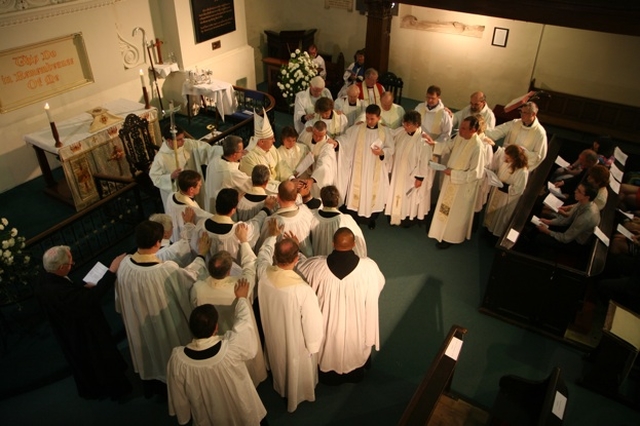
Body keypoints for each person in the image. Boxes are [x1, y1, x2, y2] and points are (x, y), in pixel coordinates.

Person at [115, 220, 211, 387]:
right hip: (162, 323)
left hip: (138, 322)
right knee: (165, 348)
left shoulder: (124, 265)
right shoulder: (165, 270)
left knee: (148, 349)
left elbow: (119, 299)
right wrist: (202, 255)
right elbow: (189, 278)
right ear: (158, 242)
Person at [35, 247, 131, 400]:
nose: (73, 263)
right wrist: (111, 272)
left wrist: (79, 288)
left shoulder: (45, 276)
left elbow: (71, 296)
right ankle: (117, 390)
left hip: (68, 327)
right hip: (84, 333)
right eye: (70, 264)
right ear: (60, 268)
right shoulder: (57, 291)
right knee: (100, 360)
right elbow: (88, 300)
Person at [167, 281, 268, 426]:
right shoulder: (231, 348)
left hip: (208, 416)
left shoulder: (178, 360)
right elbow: (245, 324)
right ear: (216, 328)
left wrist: (184, 417)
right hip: (240, 408)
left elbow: (178, 395)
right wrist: (241, 299)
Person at [298, 227, 385, 385]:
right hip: (356, 321)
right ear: (354, 244)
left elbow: (300, 275)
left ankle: (328, 376)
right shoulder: (369, 268)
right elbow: (378, 285)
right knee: (354, 342)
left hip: (327, 320)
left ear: (332, 243)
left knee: (329, 345)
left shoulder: (316, 267)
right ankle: (354, 373)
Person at [257, 219, 324, 412]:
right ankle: (297, 396)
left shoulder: (263, 273)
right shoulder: (302, 290)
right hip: (296, 344)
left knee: (278, 358)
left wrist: (271, 236)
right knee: (295, 368)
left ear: (275, 258)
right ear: (296, 260)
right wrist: (313, 346)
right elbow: (312, 323)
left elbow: (262, 255)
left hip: (273, 333)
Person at [190, 223, 267, 387]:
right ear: (229, 271)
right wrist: (244, 241)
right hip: (236, 335)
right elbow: (250, 266)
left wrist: (202, 253)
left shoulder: (198, 288)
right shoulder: (240, 285)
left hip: (212, 337)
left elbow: (198, 277)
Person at [428, 116, 486, 249]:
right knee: (445, 208)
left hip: (462, 188)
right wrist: (433, 145)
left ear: (473, 130)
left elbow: (476, 174)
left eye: (464, 128)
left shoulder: (478, 148)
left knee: (455, 214)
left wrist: (454, 174)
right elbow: (447, 147)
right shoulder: (460, 137)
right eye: (460, 127)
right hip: (451, 181)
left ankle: (450, 237)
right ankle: (440, 232)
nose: (460, 131)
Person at [336, 104, 394, 229]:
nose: (369, 121)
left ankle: (371, 220)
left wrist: (382, 152)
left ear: (379, 118)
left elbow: (391, 148)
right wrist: (337, 143)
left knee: (374, 195)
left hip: (375, 170)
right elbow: (346, 139)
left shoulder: (385, 131)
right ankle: (355, 219)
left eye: (372, 118)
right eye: (367, 118)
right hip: (360, 169)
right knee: (357, 193)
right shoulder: (358, 129)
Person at [193, 187, 275, 262]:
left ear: (216, 204)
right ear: (233, 210)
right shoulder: (239, 231)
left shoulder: (201, 224)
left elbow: (194, 247)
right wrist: (266, 208)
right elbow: (256, 222)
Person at [149, 124, 217, 211]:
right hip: (177, 193)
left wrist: (220, 153)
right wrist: (171, 177)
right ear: (169, 140)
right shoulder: (161, 157)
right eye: (179, 139)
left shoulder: (187, 144)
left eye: (183, 138)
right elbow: (154, 176)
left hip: (193, 186)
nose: (183, 141)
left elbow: (204, 148)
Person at [385, 110, 434, 226]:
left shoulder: (423, 141)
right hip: (398, 172)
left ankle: (406, 218)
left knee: (407, 198)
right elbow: (389, 133)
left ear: (417, 125)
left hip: (411, 176)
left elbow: (424, 162)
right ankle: (394, 214)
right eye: (404, 123)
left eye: (408, 125)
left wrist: (419, 178)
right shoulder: (402, 132)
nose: (405, 126)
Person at [257, 180, 315, 257]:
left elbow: (262, 249)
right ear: (296, 197)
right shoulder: (306, 212)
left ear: (278, 196)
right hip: (303, 262)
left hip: (278, 266)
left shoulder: (271, 222)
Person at [535, 182, 601, 249]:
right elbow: (567, 219)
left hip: (575, 242)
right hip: (571, 228)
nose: (575, 191)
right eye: (577, 189)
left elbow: (565, 238)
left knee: (540, 238)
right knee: (543, 220)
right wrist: (548, 222)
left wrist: (546, 231)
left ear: (587, 197)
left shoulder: (586, 217)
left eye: (579, 191)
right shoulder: (583, 202)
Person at [485, 101, 548, 170]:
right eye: (521, 112)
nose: (522, 115)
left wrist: (522, 153)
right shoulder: (515, 123)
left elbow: (539, 156)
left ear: (533, 114)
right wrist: (481, 131)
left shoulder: (540, 133)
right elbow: (497, 132)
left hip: (520, 168)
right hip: (505, 162)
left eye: (525, 113)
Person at [483, 144, 529, 237]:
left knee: (500, 218)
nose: (505, 159)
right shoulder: (507, 162)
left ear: (515, 158)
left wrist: (504, 187)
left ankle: (494, 236)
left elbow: (519, 189)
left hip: (506, 198)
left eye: (508, 158)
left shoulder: (522, 171)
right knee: (491, 214)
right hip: (497, 192)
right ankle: (487, 231)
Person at [240, 110, 294, 188]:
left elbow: (281, 164)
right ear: (261, 142)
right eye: (271, 139)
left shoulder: (271, 148)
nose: (274, 141)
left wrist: (291, 178)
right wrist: (284, 186)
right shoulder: (248, 158)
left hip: (278, 187)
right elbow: (261, 182)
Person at [311, 185, 367, 257]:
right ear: (337, 199)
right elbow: (360, 244)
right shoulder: (346, 220)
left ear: (322, 200)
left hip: (317, 258)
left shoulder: (312, 216)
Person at [205, 135, 252, 212]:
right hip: (224, 210)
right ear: (234, 155)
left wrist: (239, 158)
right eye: (241, 151)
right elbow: (251, 184)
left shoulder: (215, 160)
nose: (243, 152)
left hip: (209, 204)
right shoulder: (231, 172)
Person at [164, 170, 212, 243]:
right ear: (191, 190)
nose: (201, 185)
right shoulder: (191, 209)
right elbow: (209, 218)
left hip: (172, 237)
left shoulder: (170, 196)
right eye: (199, 185)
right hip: (184, 242)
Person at [298, 120, 339, 198]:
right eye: (315, 135)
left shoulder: (328, 145)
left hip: (316, 178)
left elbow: (324, 164)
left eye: (320, 136)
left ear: (325, 133)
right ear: (312, 131)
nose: (317, 138)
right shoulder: (306, 134)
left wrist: (312, 179)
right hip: (303, 173)